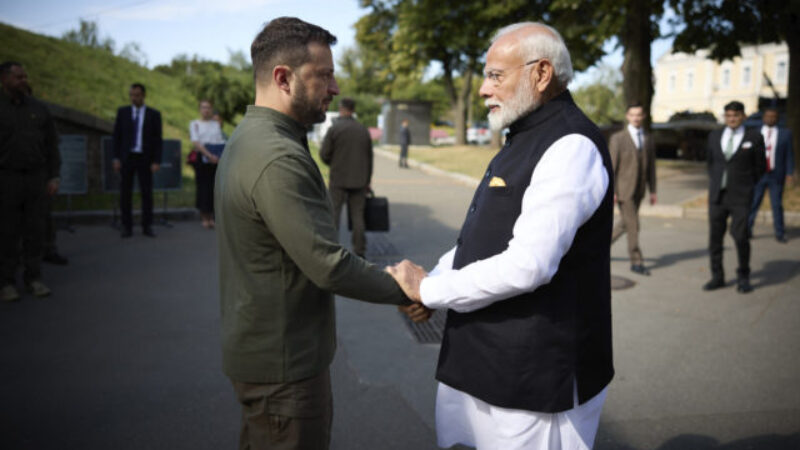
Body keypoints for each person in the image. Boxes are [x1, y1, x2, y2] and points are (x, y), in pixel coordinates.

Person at [386, 22, 614, 449]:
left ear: (541, 74)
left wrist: (432, 289)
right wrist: (428, 285)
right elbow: (481, 239)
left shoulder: (570, 145)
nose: (483, 89)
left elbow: (529, 265)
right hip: (479, 362)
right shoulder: (524, 136)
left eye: (496, 75)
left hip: (533, 380)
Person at [214, 17, 422, 450]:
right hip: (284, 367)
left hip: (268, 353)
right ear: (283, 78)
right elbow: (327, 264)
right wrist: (407, 290)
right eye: (324, 75)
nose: (334, 87)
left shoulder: (256, 138)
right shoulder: (276, 156)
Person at [0, 61, 60, 301]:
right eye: (18, 77)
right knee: (7, 231)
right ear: (4, 79)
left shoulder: (39, 109)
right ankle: (6, 282)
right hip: (6, 177)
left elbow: (51, 146)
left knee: (35, 230)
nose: (24, 80)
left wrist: (54, 175)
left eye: (25, 76)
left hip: (36, 178)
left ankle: (34, 278)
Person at [703, 101, 765, 293]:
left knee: (740, 237)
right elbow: (710, 163)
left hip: (740, 197)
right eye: (728, 116)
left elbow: (760, 168)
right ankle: (717, 276)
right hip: (717, 197)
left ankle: (743, 277)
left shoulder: (754, 137)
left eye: (736, 115)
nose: (732, 119)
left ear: (743, 117)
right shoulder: (715, 136)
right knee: (715, 240)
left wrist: (747, 186)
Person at [320, 97, 372, 257]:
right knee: (358, 216)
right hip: (360, 180)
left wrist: (333, 163)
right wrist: (367, 180)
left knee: (334, 215)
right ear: (353, 110)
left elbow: (324, 154)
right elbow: (369, 158)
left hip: (338, 178)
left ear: (341, 109)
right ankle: (360, 251)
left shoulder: (335, 129)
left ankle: (332, 250)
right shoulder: (363, 129)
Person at [609, 103, 657, 275]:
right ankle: (636, 261)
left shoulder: (648, 138)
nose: (636, 118)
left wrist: (653, 190)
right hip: (623, 190)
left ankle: (599, 247)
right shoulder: (618, 138)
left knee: (624, 224)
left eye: (639, 115)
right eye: (632, 115)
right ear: (627, 116)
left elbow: (651, 167)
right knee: (633, 225)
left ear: (643, 116)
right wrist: (612, 191)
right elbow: (612, 167)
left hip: (640, 189)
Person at [112, 82, 162, 238]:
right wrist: (116, 158)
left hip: (145, 158)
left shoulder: (153, 114)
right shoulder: (123, 112)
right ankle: (127, 226)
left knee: (146, 193)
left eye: (137, 95)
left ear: (143, 96)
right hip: (127, 158)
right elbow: (117, 137)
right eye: (132, 95)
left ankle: (147, 225)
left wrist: (156, 161)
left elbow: (157, 140)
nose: (134, 98)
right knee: (125, 193)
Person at [748, 107, 794, 243]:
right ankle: (747, 229)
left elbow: (789, 155)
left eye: (773, 116)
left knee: (776, 204)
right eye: (768, 116)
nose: (770, 119)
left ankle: (780, 232)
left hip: (776, 174)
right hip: (759, 175)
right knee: (754, 202)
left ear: (777, 118)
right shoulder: (755, 133)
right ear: (763, 118)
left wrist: (789, 173)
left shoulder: (785, 134)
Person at [189, 99, 225, 229]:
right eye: (203, 107)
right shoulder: (195, 124)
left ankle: (212, 217)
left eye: (208, 107)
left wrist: (217, 157)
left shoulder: (215, 124)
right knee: (203, 188)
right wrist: (209, 155)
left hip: (215, 159)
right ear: (200, 109)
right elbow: (196, 142)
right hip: (202, 159)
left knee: (213, 188)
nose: (206, 110)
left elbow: (219, 140)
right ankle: (204, 217)